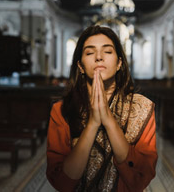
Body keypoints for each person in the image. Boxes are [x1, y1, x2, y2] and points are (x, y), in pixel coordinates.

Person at [46, 25, 158, 192]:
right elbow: (62, 183)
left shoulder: (142, 108)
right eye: (90, 53)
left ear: (119, 62)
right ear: (81, 66)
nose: (99, 57)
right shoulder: (61, 110)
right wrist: (93, 123)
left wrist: (108, 121)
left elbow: (140, 180)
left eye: (107, 51)